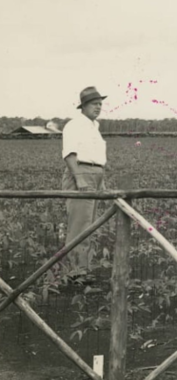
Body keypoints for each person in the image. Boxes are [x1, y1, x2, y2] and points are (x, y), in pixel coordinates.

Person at [61, 87, 108, 273]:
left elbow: (95, 156)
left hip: (95, 174)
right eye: (94, 104)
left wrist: (100, 180)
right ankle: (76, 272)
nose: (98, 108)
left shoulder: (94, 127)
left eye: (100, 104)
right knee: (80, 225)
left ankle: (83, 268)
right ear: (84, 106)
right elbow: (69, 154)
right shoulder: (75, 125)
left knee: (90, 224)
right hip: (80, 173)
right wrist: (79, 178)